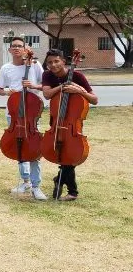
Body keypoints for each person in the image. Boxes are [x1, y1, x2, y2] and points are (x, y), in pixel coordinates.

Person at [41, 48, 98, 201]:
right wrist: (63, 86)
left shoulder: (78, 76)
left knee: (71, 155)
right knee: (67, 156)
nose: (53, 65)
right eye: (49, 63)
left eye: (56, 61)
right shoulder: (47, 75)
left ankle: (63, 183)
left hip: (73, 124)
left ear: (63, 61)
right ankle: (72, 192)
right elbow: (47, 95)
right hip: (57, 122)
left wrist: (78, 89)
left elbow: (94, 99)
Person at [0, 37, 48, 200]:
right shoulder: (6, 68)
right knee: (19, 147)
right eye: (14, 46)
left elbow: (44, 85)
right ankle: (25, 181)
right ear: (10, 50)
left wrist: (32, 86)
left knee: (34, 148)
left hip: (31, 113)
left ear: (26, 49)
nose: (17, 48)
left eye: (20, 46)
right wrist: (7, 92)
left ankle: (36, 185)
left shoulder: (34, 65)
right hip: (13, 113)